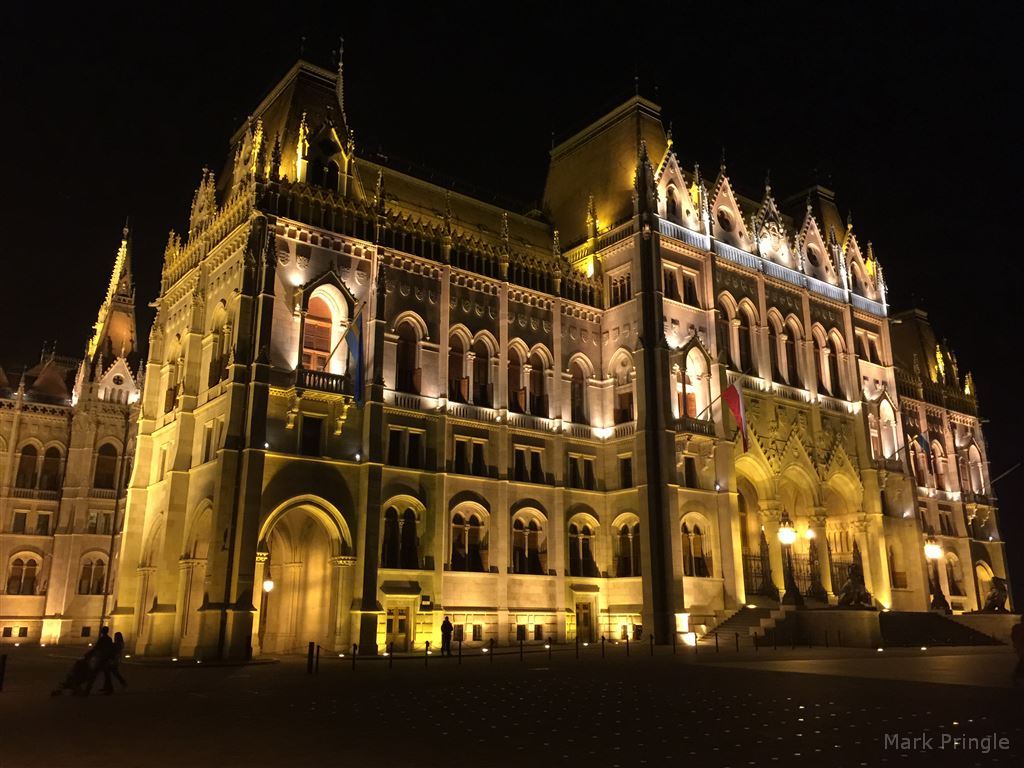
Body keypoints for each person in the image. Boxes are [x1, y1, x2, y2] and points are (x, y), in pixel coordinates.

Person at [83, 626, 116, 695]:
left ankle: (87, 690)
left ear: (103, 631)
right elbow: (111, 648)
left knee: (94, 674)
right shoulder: (109, 639)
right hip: (106, 659)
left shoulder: (102, 639)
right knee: (107, 674)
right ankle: (110, 688)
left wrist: (88, 654)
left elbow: (96, 647)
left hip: (101, 659)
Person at [1012, 615, 1024, 685]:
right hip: (1020, 646)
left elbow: (1013, 636)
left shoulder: (1016, 627)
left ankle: (1017, 675)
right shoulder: (1018, 627)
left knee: (1022, 660)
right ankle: (1017, 675)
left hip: (1019, 646)